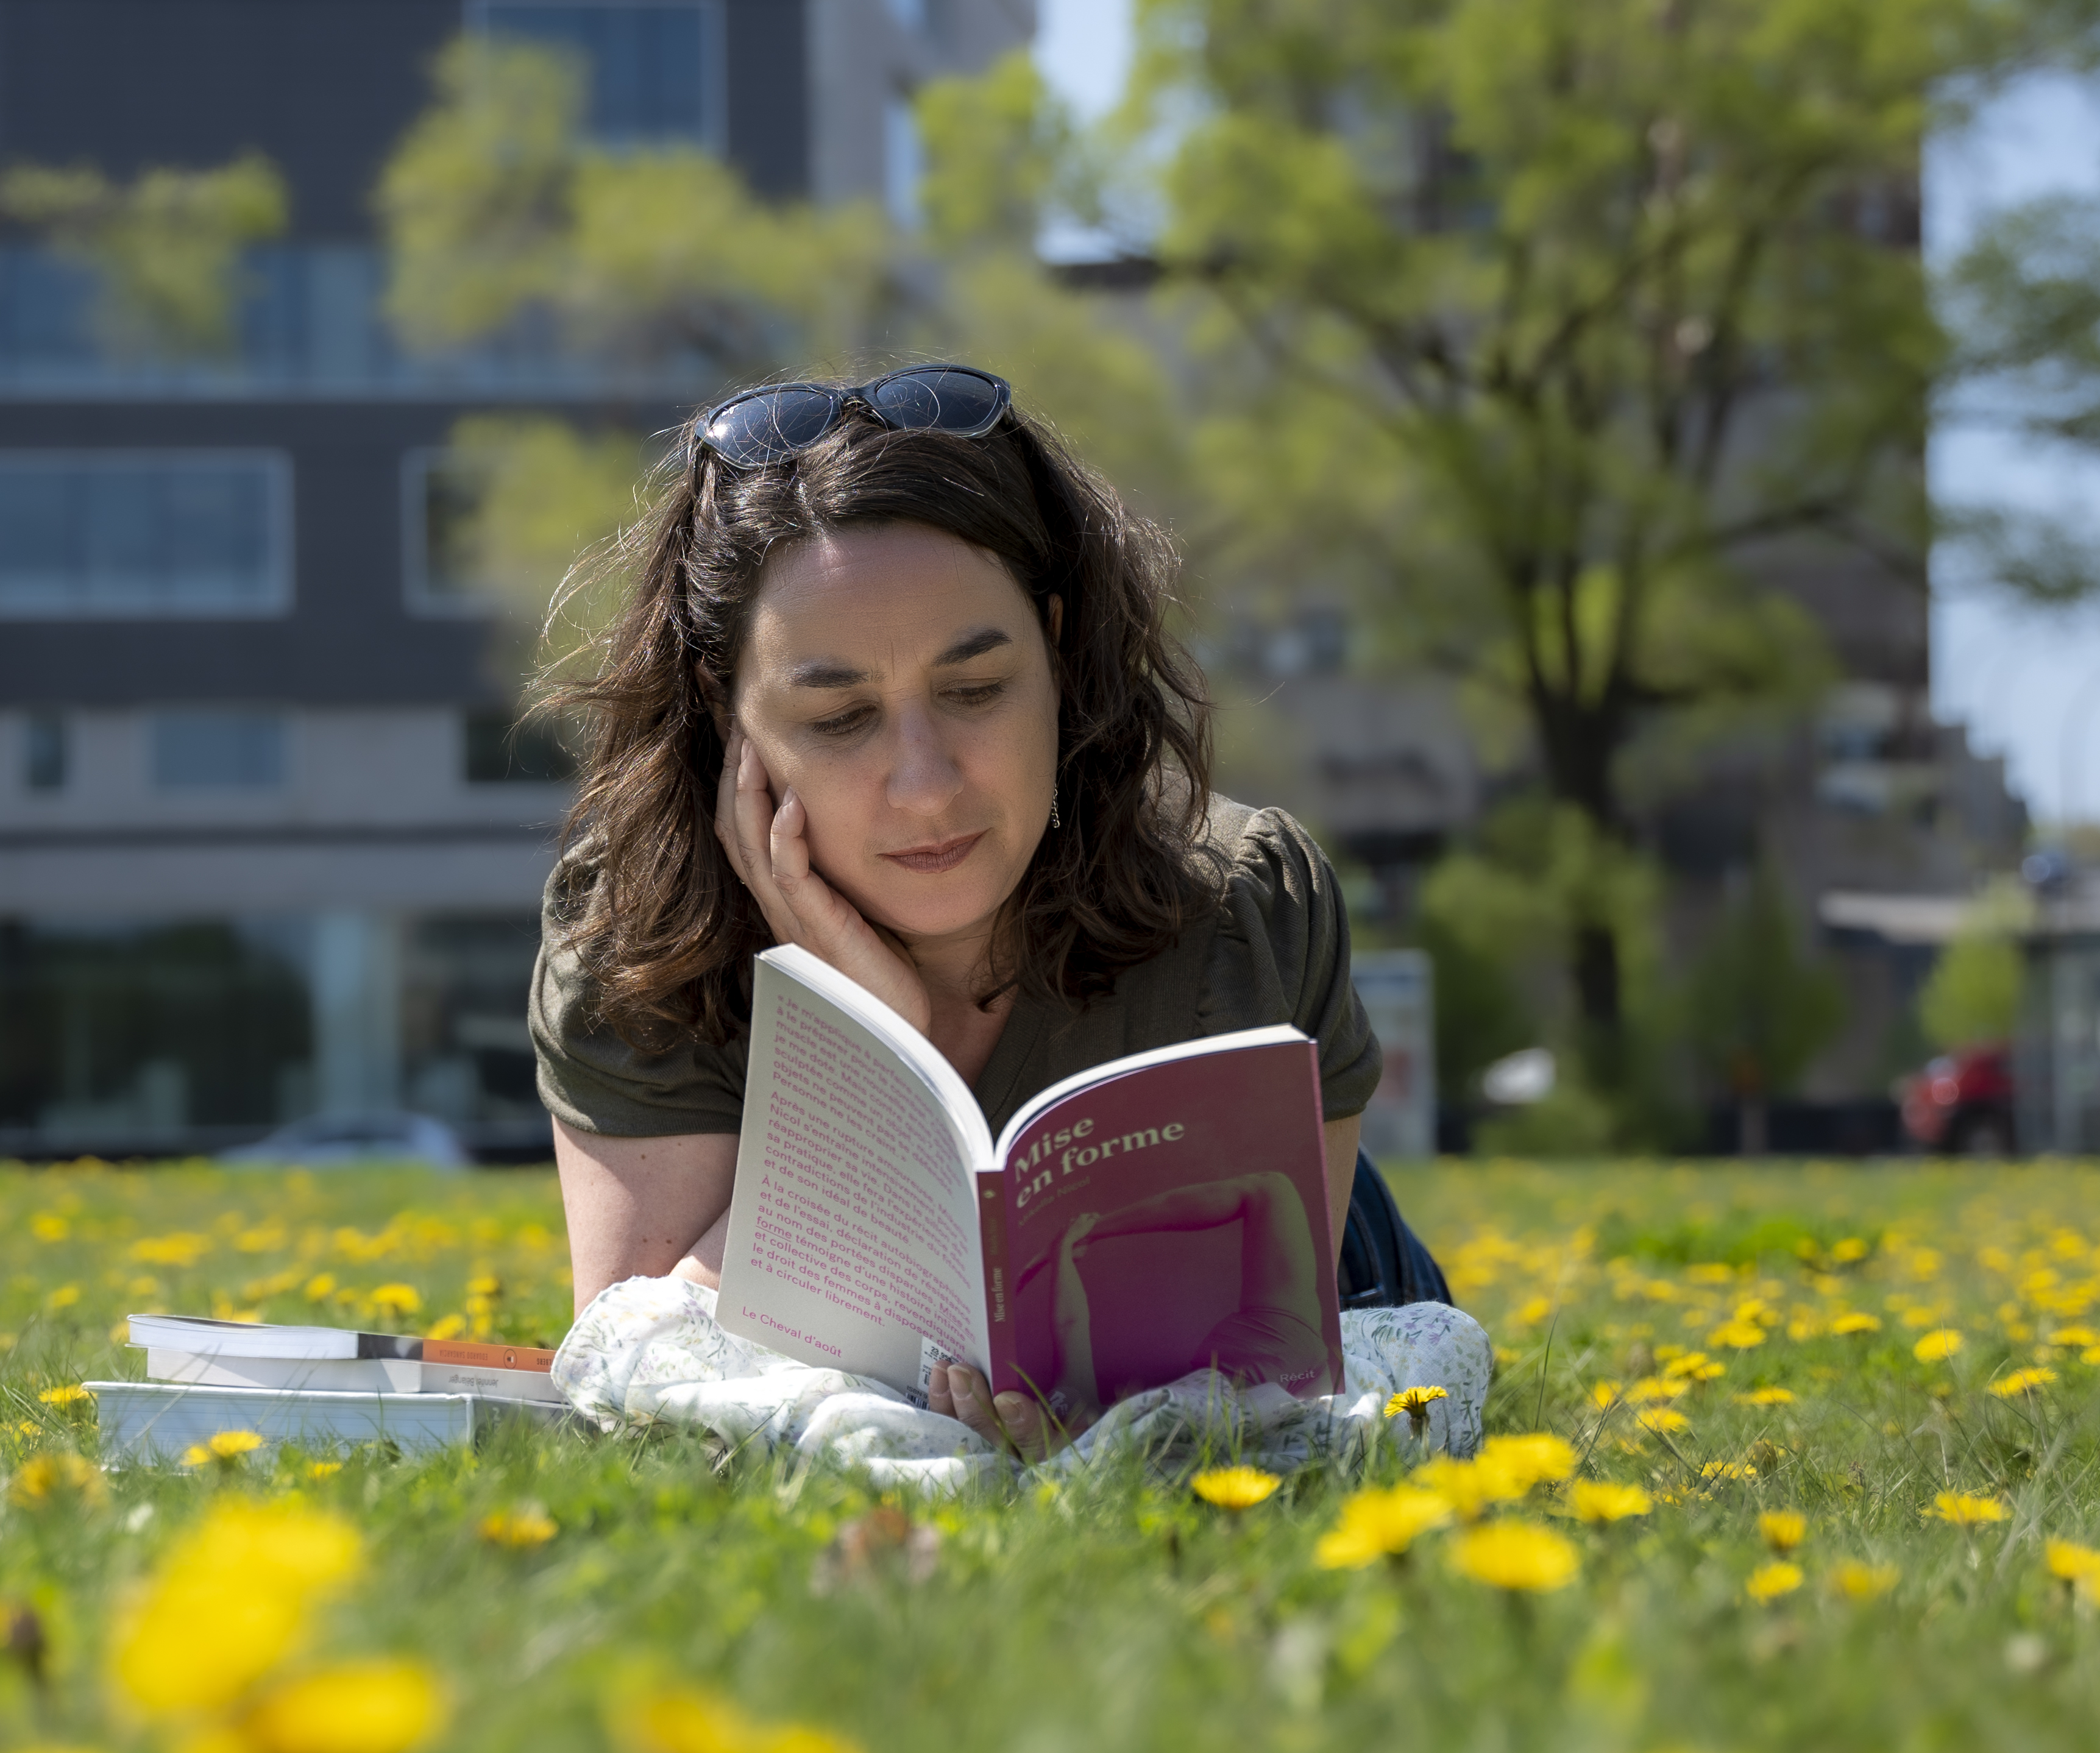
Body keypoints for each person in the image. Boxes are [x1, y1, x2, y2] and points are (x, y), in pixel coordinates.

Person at [527, 361, 1447, 1458]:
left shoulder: (1249, 904)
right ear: (727, 717)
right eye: (838, 716)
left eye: (975, 691)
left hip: (1356, 1289)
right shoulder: (638, 932)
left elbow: (1282, 1388)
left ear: (1058, 652)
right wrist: (875, 1052)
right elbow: (657, 1386)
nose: (925, 784)